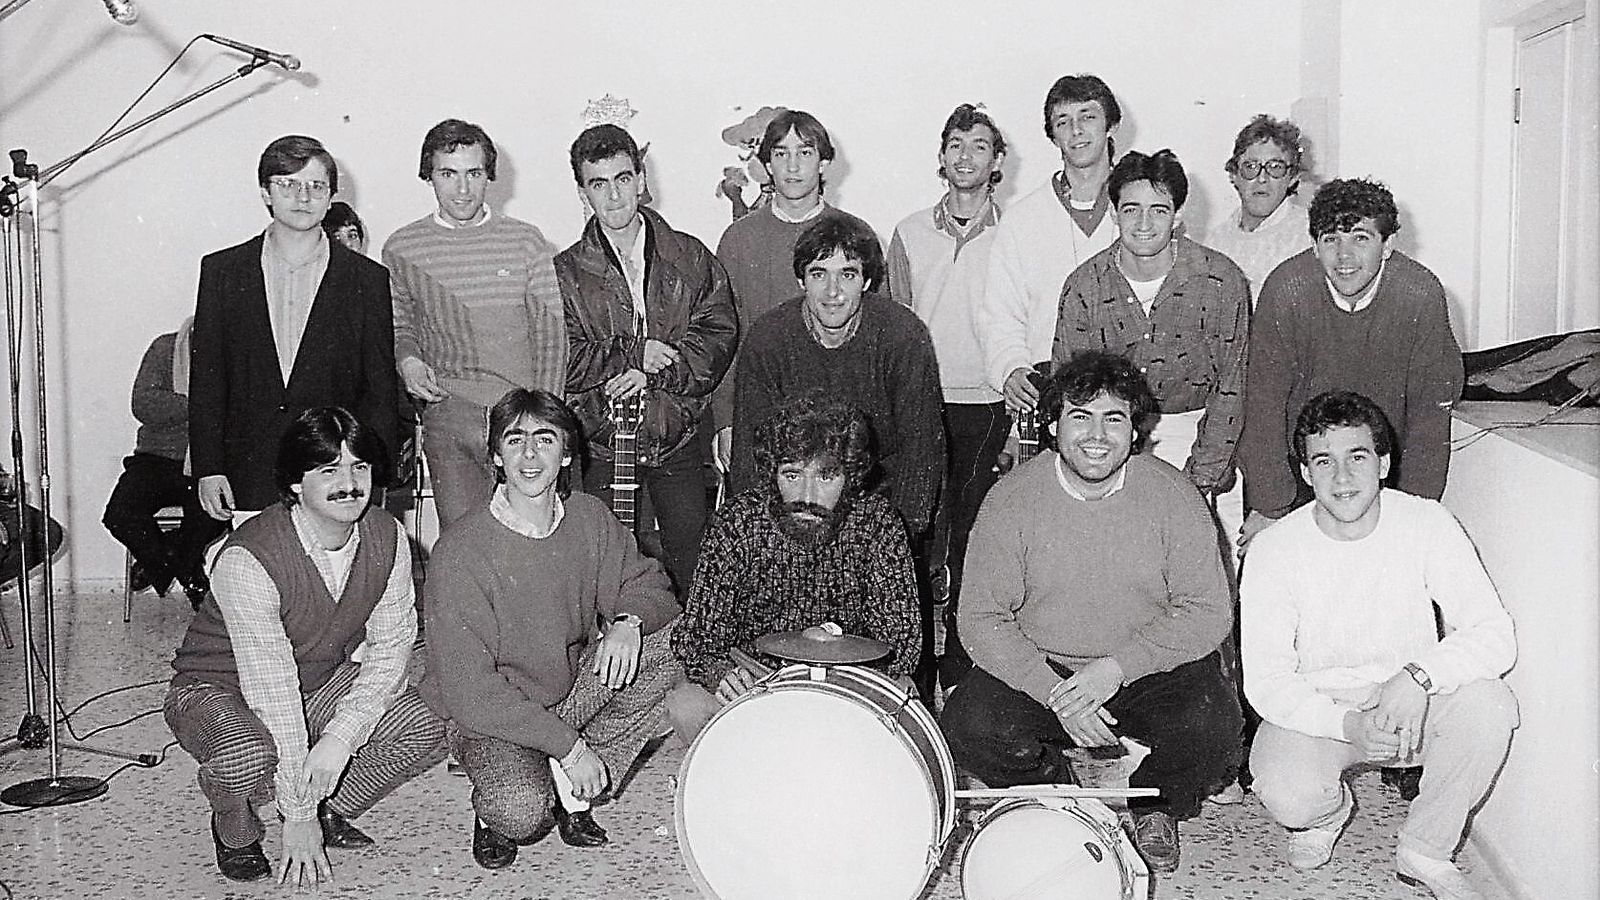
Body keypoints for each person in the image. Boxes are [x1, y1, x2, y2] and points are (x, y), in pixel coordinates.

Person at [941, 350, 1242, 875]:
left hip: (1138, 668)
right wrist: (1055, 694)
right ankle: (1058, 796)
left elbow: (1209, 611)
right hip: (1046, 667)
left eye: (1114, 418)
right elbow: (981, 620)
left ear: (1136, 430)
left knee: (1216, 725)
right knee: (969, 724)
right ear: (1052, 425)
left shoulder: (1174, 495)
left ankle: (1156, 803)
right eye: (1080, 416)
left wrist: (1116, 668)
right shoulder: (1011, 499)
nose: (1097, 435)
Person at [1241, 391, 1516, 899]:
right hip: (1326, 710)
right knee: (1287, 792)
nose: (1342, 477)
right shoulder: (1274, 549)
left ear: (1384, 464)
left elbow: (1495, 635)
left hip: (1408, 701)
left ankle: (1425, 849)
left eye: (1358, 456)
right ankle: (1327, 816)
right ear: (1305, 473)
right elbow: (1265, 681)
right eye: (1324, 461)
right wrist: (1347, 723)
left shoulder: (1426, 522)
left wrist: (1418, 677)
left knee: (1490, 705)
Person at [164, 407, 445, 885]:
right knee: (249, 755)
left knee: (426, 723)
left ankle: (331, 808)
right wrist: (297, 816)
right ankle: (234, 826)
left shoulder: (388, 536)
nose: (349, 484)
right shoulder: (247, 558)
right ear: (296, 482)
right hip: (215, 689)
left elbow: (391, 650)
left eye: (359, 467)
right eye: (329, 470)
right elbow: (271, 691)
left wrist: (339, 740)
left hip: (315, 680)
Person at [420, 388, 684, 871]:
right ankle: (508, 799)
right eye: (514, 440)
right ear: (496, 456)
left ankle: (569, 790)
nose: (529, 454)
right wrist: (570, 746)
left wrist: (627, 622)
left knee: (675, 643)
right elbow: (470, 691)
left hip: (565, 689)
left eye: (545, 439)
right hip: (491, 716)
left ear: (565, 454)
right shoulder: (460, 550)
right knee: (520, 813)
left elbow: (650, 586)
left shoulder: (587, 517)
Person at [670, 395, 920, 733]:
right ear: (772, 474)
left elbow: (902, 643)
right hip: (756, 681)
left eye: (826, 477)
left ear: (850, 476)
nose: (807, 496)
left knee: (905, 698)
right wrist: (722, 675)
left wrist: (842, 682)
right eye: (792, 475)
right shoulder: (738, 523)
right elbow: (696, 636)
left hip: (848, 681)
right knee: (686, 704)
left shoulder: (878, 524)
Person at [1238, 178, 1464, 553]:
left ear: (1387, 245)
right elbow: (1263, 406)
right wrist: (1270, 507)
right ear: (1314, 246)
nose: (1344, 256)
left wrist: (1412, 513)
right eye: (1331, 239)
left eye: (1361, 238)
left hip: (1382, 470)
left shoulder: (1420, 295)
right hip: (1300, 468)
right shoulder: (1286, 290)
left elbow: (1429, 419)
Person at [557, 124, 737, 595]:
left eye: (622, 178)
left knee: (694, 568)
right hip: (602, 444)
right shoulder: (565, 273)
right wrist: (630, 354)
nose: (614, 195)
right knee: (609, 572)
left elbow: (718, 336)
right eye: (598, 184)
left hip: (677, 438)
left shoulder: (690, 256)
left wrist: (654, 373)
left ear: (641, 178)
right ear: (582, 192)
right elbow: (561, 357)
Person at [190, 136, 398, 524]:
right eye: (288, 184)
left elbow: (380, 388)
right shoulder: (222, 272)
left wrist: (375, 475)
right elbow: (208, 381)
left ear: (331, 196)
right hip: (248, 468)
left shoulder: (367, 279)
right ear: (265, 192)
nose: (303, 197)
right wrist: (208, 467)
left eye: (316, 186)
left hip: (337, 472)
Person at [383, 118, 567, 527]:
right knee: (462, 541)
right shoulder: (402, 248)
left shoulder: (526, 240)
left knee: (530, 536)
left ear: (489, 177)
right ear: (428, 176)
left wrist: (542, 421)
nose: (462, 189)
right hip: (450, 417)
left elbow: (552, 335)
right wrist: (408, 361)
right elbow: (400, 325)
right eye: (448, 174)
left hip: (522, 418)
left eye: (474, 173)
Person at [1052, 149, 1250, 526]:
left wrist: (1198, 481)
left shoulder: (1221, 281)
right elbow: (1068, 393)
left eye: (1158, 210)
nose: (1144, 223)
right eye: (1131, 209)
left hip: (1198, 438)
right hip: (1108, 442)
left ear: (1178, 215)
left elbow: (1231, 390)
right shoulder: (1084, 286)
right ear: (1113, 212)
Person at [886, 102, 1008, 688]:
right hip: (922, 406)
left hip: (987, 405)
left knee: (972, 542)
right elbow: (894, 321)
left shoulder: (1015, 233)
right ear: (941, 155)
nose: (966, 156)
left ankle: (961, 669)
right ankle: (912, 668)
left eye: (979, 145)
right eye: (956, 144)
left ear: (997, 160)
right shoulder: (909, 232)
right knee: (914, 538)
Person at [712, 109, 878, 471]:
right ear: (766, 165)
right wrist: (725, 420)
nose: (792, 165)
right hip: (760, 410)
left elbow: (875, 338)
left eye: (805, 152)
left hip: (839, 417)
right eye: (781, 153)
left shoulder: (855, 235)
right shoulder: (738, 239)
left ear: (824, 162)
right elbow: (724, 338)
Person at [978, 74, 1122, 427]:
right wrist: (1011, 368)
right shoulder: (1022, 219)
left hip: (1125, 400)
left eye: (1088, 116)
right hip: (1052, 400)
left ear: (1111, 125)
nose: (1076, 131)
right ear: (1053, 135)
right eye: (1063, 121)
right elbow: (1000, 315)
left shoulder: (1140, 212)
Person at [103, 319, 226, 607]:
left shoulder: (234, 353)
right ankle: (188, 570)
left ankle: (162, 558)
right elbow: (143, 403)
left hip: (207, 462)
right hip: (155, 458)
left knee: (214, 516)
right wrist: (200, 405)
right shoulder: (166, 347)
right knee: (120, 514)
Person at [1205, 114, 1314, 296]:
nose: (1262, 178)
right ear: (1234, 175)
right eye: (1250, 167)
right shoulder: (1216, 242)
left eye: (1275, 167)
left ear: (1293, 177)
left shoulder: (1309, 234)